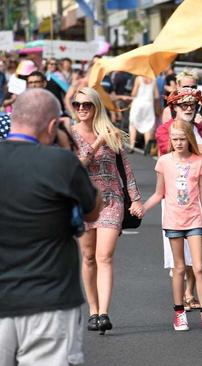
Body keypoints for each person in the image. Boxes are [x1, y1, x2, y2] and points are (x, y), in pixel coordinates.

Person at [0, 89, 101, 366]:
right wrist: (68, 150)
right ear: (52, 125)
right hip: (50, 301)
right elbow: (93, 208)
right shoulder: (61, 163)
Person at [70, 87, 143, 334]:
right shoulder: (70, 135)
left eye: (86, 104)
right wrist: (98, 141)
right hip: (83, 202)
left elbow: (126, 169)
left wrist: (136, 200)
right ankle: (92, 310)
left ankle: (104, 313)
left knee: (104, 256)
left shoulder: (112, 134)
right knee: (88, 257)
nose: (81, 108)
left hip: (112, 200)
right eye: (77, 104)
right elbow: (77, 166)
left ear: (96, 107)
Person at [142, 120, 202, 333]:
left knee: (199, 267)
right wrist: (142, 208)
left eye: (182, 139)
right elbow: (159, 193)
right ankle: (179, 313)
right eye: (174, 139)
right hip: (173, 220)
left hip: (195, 220)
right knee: (179, 268)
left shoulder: (199, 161)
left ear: (189, 139)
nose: (178, 142)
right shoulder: (164, 161)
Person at [156, 87, 202, 311]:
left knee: (200, 253)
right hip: (176, 197)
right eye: (184, 105)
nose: (189, 108)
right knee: (178, 256)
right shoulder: (165, 130)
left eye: (193, 105)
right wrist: (194, 148)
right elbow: (168, 150)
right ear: (174, 107)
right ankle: (181, 294)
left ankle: (190, 292)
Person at [129, 76, 159, 152]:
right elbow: (156, 95)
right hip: (148, 105)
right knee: (148, 126)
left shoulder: (138, 78)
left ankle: (132, 146)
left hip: (137, 104)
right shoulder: (153, 79)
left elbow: (134, 93)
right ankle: (147, 146)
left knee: (133, 125)